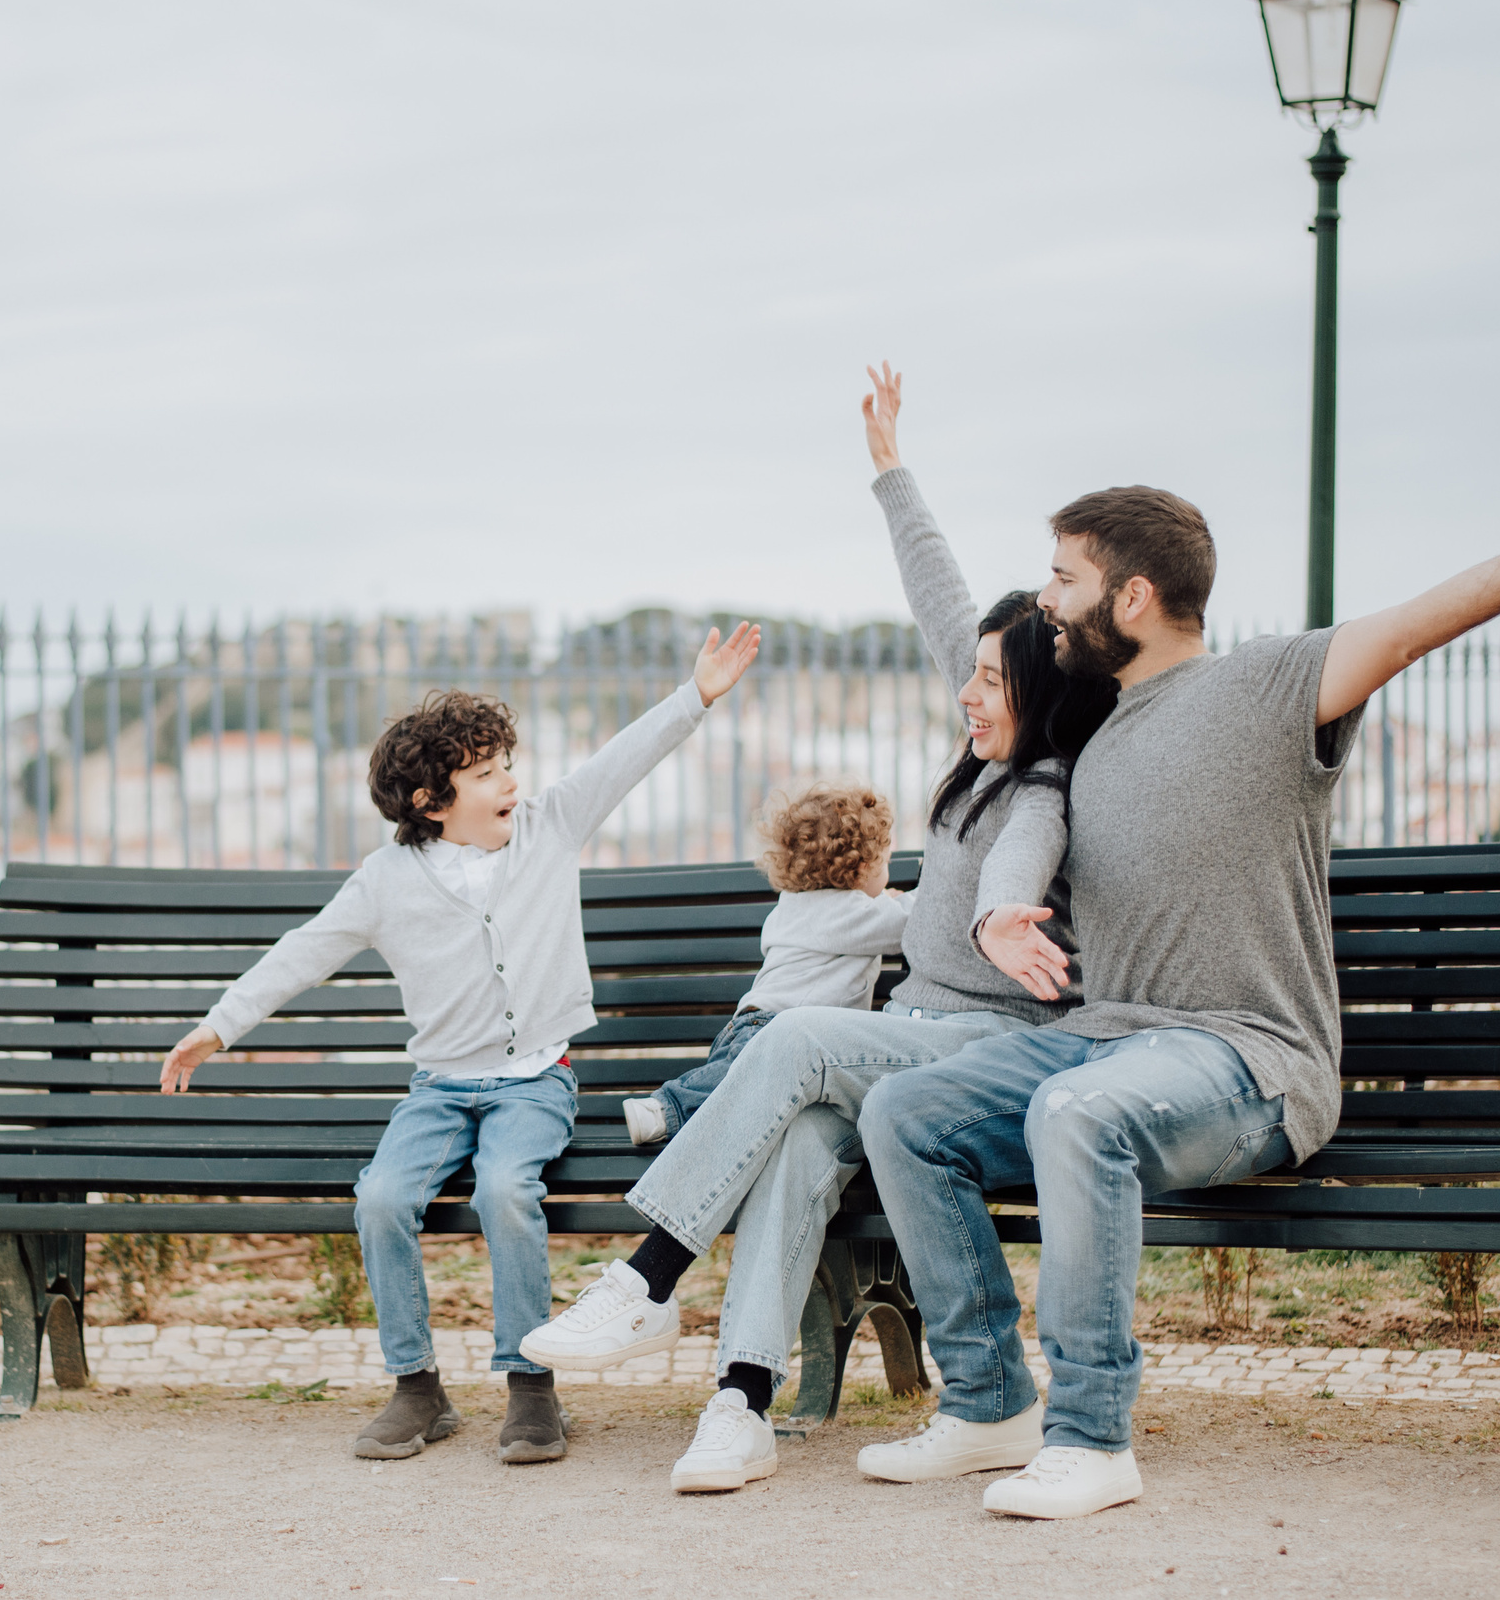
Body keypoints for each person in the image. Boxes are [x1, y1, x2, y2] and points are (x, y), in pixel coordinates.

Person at [855, 436, 1500, 1520]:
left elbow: (1423, 618)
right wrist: (893, 479)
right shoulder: (1086, 725)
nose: (1046, 606)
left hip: (1247, 1057)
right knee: (905, 1108)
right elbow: (954, 637)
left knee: (1073, 1110)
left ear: (1136, 594)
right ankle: (985, 1403)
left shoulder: (1265, 688)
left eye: (1064, 579)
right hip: (1106, 1039)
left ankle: (1091, 1435)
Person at [517, 365, 1116, 1496]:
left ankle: (645, 1279)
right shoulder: (989, 745)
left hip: (984, 1050)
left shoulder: (1043, 783)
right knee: (795, 1142)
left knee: (795, 1038)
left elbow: (1027, 855)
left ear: (1036, 692)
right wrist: (890, 469)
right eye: (972, 674)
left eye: (988, 679)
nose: (965, 692)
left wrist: (995, 912)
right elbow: (945, 598)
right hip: (909, 1035)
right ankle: (740, 1401)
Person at [158, 624, 762, 1465]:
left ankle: (529, 1385)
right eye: (486, 774)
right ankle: (417, 1386)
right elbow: (305, 949)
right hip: (439, 1089)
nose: (511, 782)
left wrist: (695, 693)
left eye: (507, 764)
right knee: (379, 1198)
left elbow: (625, 756)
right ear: (430, 803)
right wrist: (217, 1025)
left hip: (533, 1083)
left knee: (507, 1191)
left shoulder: (550, 825)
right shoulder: (385, 880)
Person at [623, 784, 912, 1147]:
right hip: (777, 1029)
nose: (888, 873)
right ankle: (664, 1110)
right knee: (732, 1089)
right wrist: (900, 900)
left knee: (741, 1103)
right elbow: (911, 923)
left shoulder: (795, 904)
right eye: (885, 862)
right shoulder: (851, 915)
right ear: (861, 869)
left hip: (749, 1023)